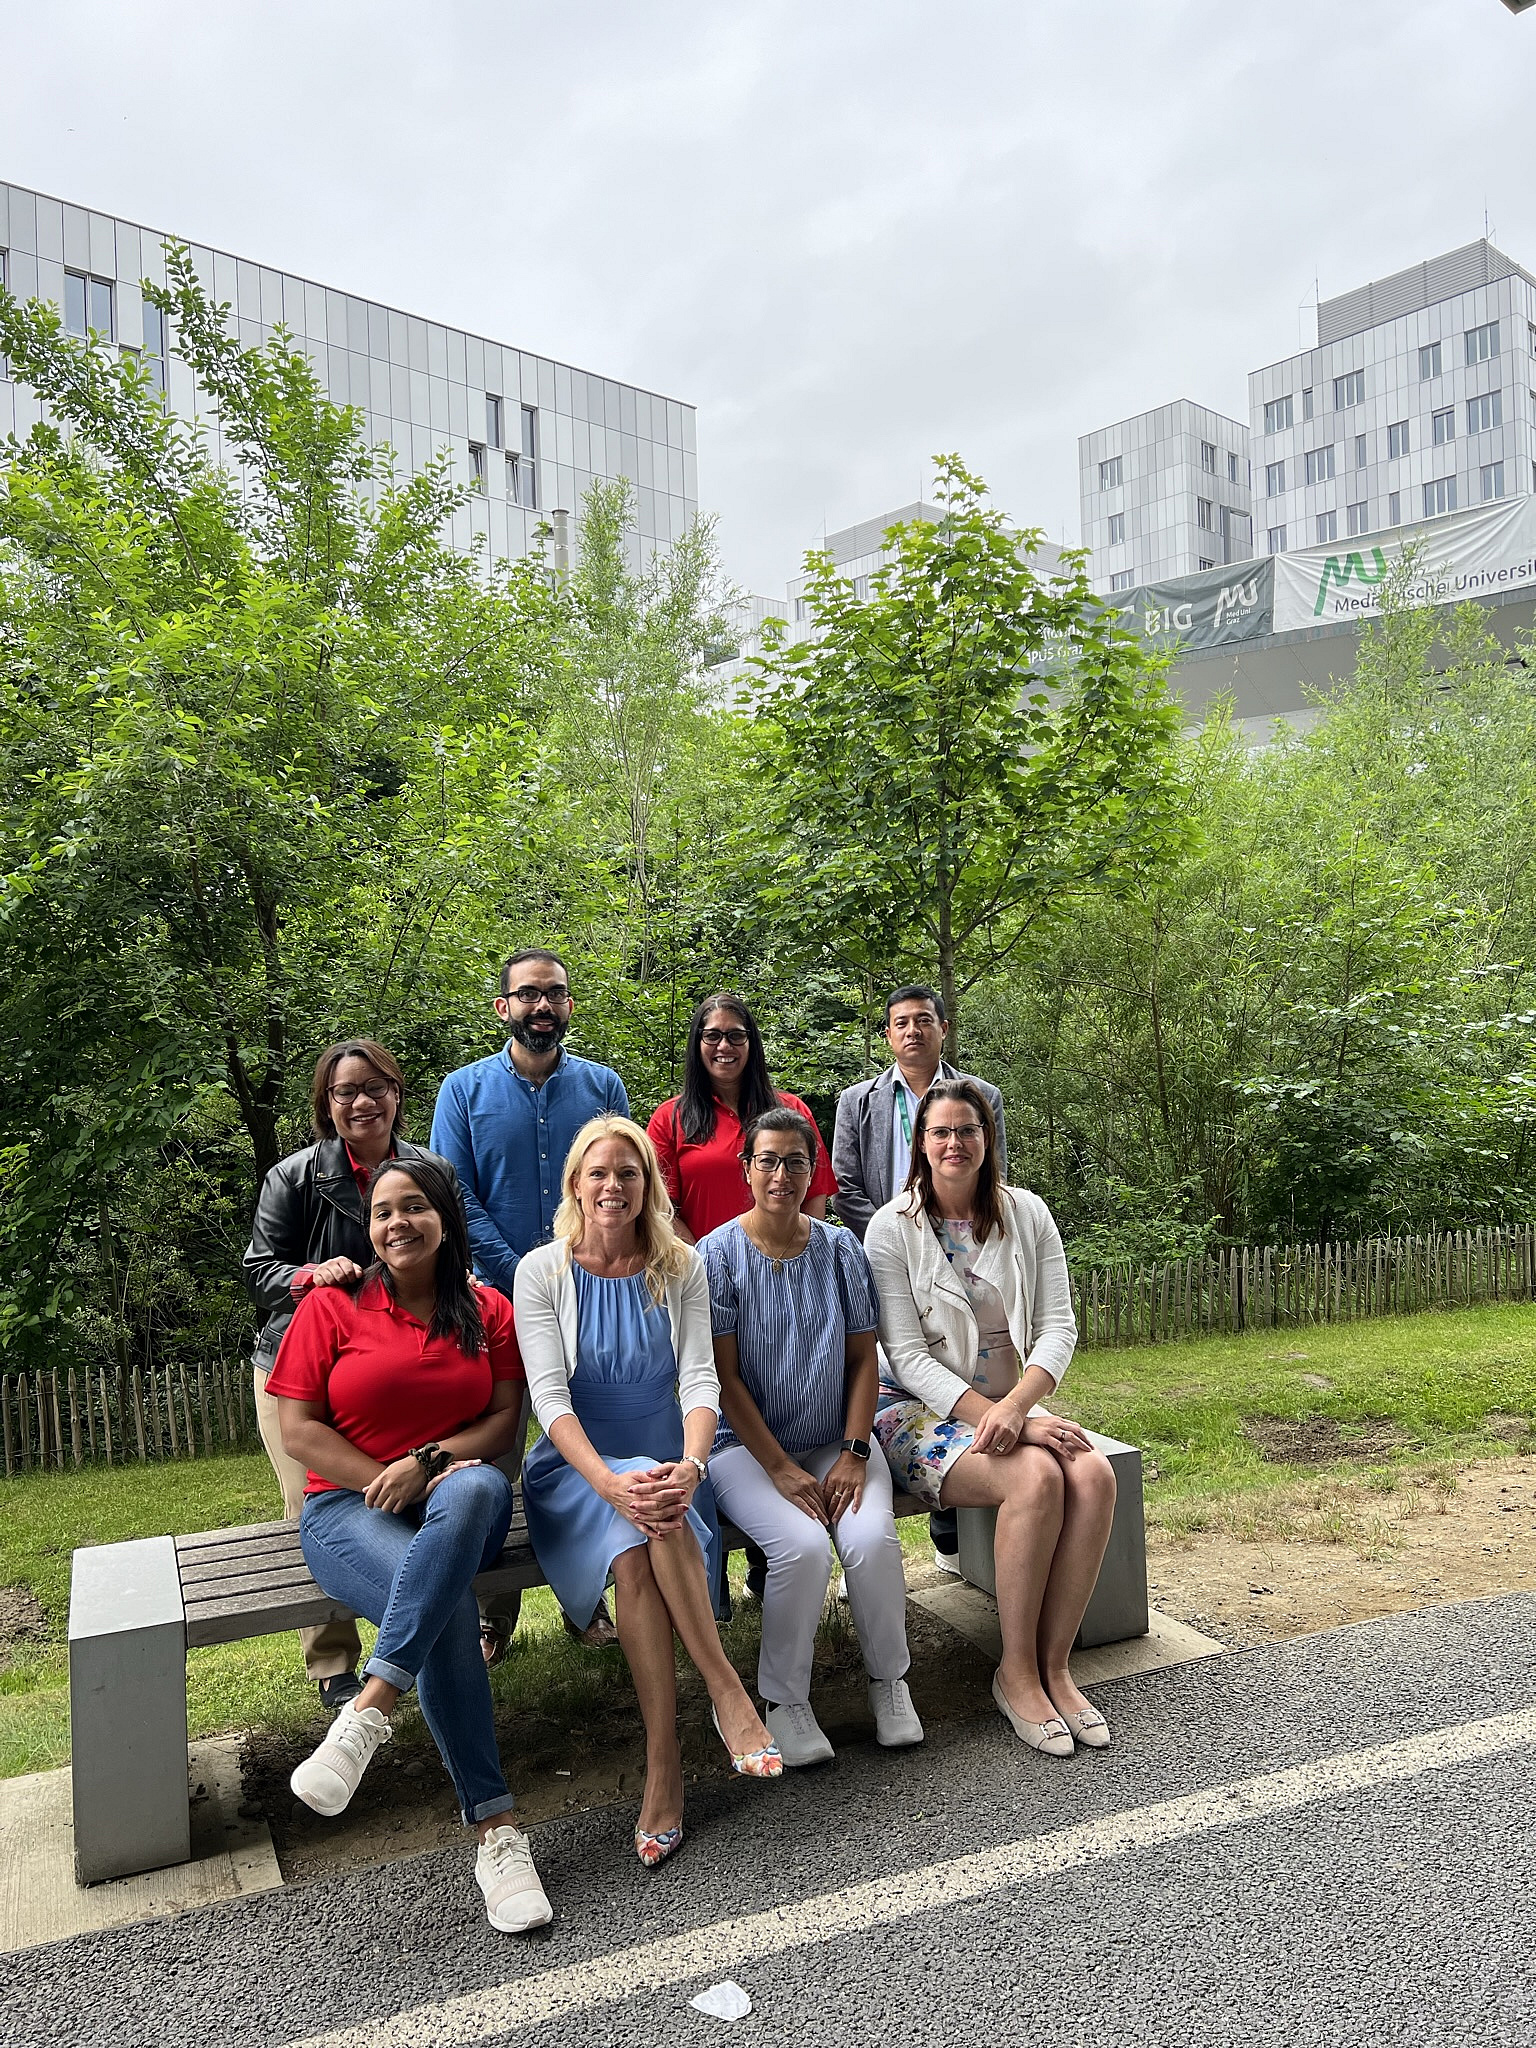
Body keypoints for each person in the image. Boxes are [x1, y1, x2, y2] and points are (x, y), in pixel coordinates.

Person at [267, 1155, 552, 1933]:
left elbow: (500, 1426)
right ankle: (497, 1831)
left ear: (444, 1219)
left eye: (415, 1207)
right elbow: (297, 1430)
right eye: (384, 1211)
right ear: (371, 1228)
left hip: (457, 1506)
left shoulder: (486, 1309)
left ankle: (369, 1706)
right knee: (448, 1606)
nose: (398, 1223)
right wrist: (377, 1481)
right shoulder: (330, 1310)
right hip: (348, 1516)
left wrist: (424, 1462)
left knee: (481, 1483)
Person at [515, 1116, 782, 1869]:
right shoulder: (542, 1272)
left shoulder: (682, 1266)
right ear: (575, 1184)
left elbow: (700, 1379)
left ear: (648, 1186)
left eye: (628, 1175)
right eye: (598, 1173)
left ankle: (665, 1766)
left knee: (650, 1526)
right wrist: (607, 1482)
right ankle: (726, 1694)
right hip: (577, 1472)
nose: (612, 1187)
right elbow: (550, 1399)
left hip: (670, 1464)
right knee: (638, 1532)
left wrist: (693, 1467)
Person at [865, 1079, 1117, 1756]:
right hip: (912, 1413)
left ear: (988, 1139)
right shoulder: (892, 1229)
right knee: (1036, 1478)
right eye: (940, 1131)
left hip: (1009, 1408)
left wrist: (1019, 1409)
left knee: (1094, 1478)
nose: (954, 1143)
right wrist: (1009, 1420)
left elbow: (1060, 1327)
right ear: (921, 1143)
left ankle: (1055, 1667)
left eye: (967, 1130)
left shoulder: (1026, 1213)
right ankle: (1015, 1672)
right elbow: (907, 1356)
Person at [700, 1107, 924, 1767]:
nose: (781, 1173)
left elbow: (863, 1360)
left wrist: (855, 1453)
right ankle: (784, 1700)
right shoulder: (714, 1255)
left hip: (835, 1435)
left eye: (795, 1161)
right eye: (766, 1160)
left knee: (871, 1537)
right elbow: (725, 1378)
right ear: (746, 1170)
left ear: (811, 1170)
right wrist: (778, 1468)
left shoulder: (840, 1249)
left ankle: (890, 1682)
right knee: (801, 1548)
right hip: (743, 1448)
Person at [432, 946, 629, 1649]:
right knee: (495, 1457)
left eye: (555, 995)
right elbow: (454, 1194)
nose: (541, 1006)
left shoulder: (604, 1086)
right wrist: (524, 1275)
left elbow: (620, 1184)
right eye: (528, 995)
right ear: (504, 1007)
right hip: (497, 1304)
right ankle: (494, 1612)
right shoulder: (462, 1092)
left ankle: (588, 1602)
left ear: (569, 1006)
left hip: (594, 1294)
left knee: (592, 1445)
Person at [243, 1039, 445, 1709]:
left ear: (397, 1093)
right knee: (317, 1506)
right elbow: (258, 1270)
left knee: (418, 1498)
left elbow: (454, 1257)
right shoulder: (294, 1177)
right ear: (326, 1107)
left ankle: (419, 1635)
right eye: (344, 1092)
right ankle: (333, 1661)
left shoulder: (431, 1170)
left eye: (374, 1087)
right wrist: (307, 1277)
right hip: (300, 1373)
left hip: (399, 1373)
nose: (361, 1101)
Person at [831, 984, 1008, 1579]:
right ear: (887, 1034)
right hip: (885, 1253)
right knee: (905, 1364)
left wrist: (942, 1228)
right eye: (901, 1022)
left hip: (963, 1252)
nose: (913, 1031)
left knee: (963, 1359)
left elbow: (993, 1171)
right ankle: (939, 1503)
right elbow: (844, 1183)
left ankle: (955, 1535)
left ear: (943, 1028)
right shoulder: (857, 1101)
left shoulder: (980, 1097)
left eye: (924, 1021)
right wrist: (899, 1231)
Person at [647, 992, 838, 1245]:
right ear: (697, 1042)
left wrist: (802, 1251)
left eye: (736, 1036)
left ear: (751, 1043)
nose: (724, 1046)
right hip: (700, 1271)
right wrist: (702, 1262)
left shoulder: (792, 1110)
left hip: (784, 1266)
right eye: (712, 1035)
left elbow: (815, 1193)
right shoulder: (669, 1118)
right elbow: (660, 1207)